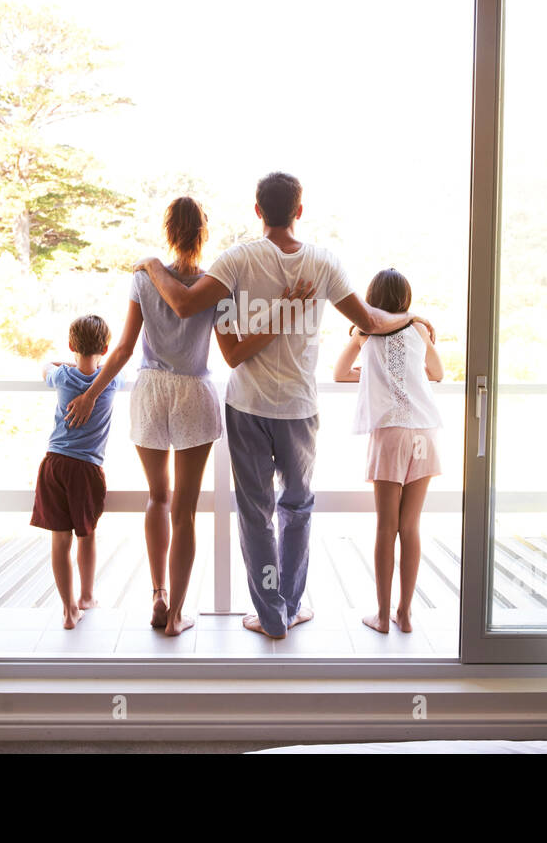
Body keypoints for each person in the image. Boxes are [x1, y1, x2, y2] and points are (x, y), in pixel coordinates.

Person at [136, 172, 435, 640]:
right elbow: (373, 322)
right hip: (299, 409)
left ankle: (272, 614)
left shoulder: (236, 259)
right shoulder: (325, 263)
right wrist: (411, 317)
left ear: (258, 211)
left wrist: (151, 264)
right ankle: (290, 607)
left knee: (257, 514)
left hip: (248, 407)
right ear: (300, 210)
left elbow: (184, 302)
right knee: (297, 509)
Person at [66, 197, 314, 635]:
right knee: (184, 512)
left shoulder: (144, 279)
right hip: (193, 394)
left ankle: (158, 594)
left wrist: (90, 395)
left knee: (157, 499)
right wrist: (284, 308)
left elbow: (122, 349)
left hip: (150, 391)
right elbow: (232, 351)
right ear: (203, 232)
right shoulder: (214, 286)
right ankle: (176, 615)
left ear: (167, 229)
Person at [333, 269, 444, 633]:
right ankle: (406, 613)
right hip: (423, 431)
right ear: (406, 299)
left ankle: (381, 616)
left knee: (386, 527)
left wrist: (365, 359)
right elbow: (437, 372)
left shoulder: (364, 333)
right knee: (410, 527)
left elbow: (339, 373)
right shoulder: (419, 328)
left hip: (391, 433)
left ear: (371, 299)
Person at [30, 314, 122, 630]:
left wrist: (61, 360)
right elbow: (120, 367)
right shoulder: (111, 382)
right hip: (86, 469)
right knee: (86, 534)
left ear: (71, 345)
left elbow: (45, 365)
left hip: (54, 463)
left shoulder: (63, 377)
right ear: (107, 348)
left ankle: (68, 610)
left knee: (59, 539)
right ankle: (86, 596)